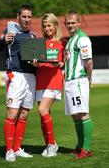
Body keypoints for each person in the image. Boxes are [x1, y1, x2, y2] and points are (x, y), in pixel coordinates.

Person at [0, 4, 36, 161]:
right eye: (24, 16)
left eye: (29, 17)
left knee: (24, 113)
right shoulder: (10, 31)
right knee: (12, 113)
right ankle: (8, 150)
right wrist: (3, 40)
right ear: (18, 17)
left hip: (31, 77)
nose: (26, 19)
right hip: (16, 76)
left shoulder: (33, 36)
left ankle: (17, 148)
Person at [33, 13, 65, 157]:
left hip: (54, 81)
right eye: (44, 26)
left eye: (49, 25)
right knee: (43, 115)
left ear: (55, 25)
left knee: (42, 110)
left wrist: (63, 63)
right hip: (41, 81)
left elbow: (64, 61)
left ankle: (52, 145)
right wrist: (34, 63)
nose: (47, 28)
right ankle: (49, 145)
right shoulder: (40, 44)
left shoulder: (62, 42)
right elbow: (38, 63)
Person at [64, 10, 94, 159]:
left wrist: (89, 79)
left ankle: (87, 149)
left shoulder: (82, 39)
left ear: (78, 23)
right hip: (69, 82)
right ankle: (80, 146)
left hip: (78, 81)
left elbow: (88, 61)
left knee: (83, 113)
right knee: (75, 115)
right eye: (68, 23)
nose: (70, 25)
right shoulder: (70, 39)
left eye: (73, 23)